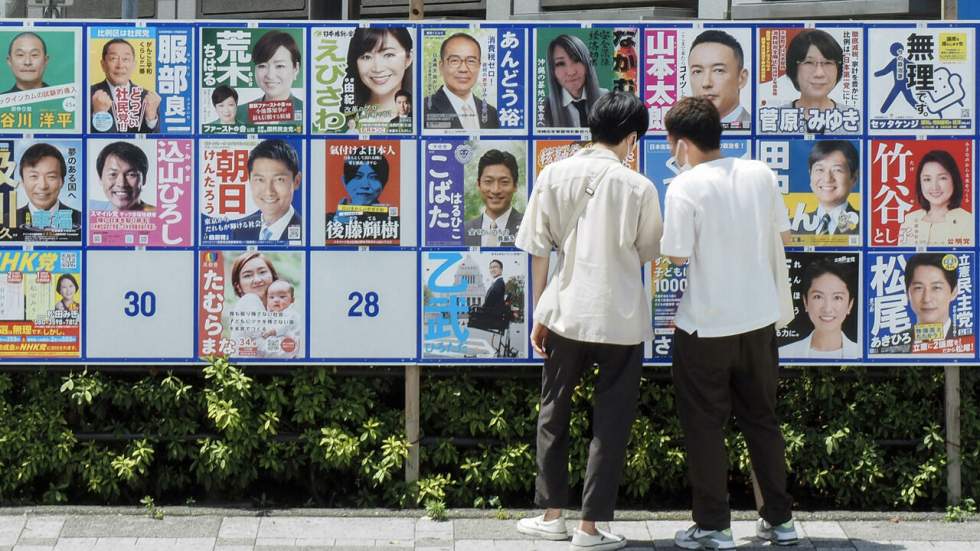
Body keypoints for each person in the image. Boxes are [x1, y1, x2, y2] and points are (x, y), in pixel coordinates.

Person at [514, 91, 662, 550]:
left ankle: (551, 515)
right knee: (611, 421)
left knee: (554, 412)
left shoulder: (554, 174)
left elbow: (538, 250)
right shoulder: (638, 186)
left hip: (564, 312)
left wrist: (540, 309)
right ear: (632, 137)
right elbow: (647, 251)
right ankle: (589, 528)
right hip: (620, 317)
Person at [660, 96, 797, 550]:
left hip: (705, 326)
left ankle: (714, 526)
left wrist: (682, 182)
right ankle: (780, 522)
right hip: (759, 320)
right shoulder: (760, 172)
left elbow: (676, 254)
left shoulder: (684, 186)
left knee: (704, 425)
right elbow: (785, 234)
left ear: (680, 144)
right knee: (762, 420)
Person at [779, 259, 859, 359]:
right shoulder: (783, 354)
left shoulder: (859, 353)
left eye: (837, 297)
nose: (827, 309)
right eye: (818, 297)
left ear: (850, 305)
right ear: (805, 302)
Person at [230, 139, 302, 242]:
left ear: (296, 181)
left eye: (279, 179)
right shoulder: (240, 230)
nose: (269, 191)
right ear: (249, 180)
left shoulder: (308, 232)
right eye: (260, 180)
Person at [424, 33, 499, 130]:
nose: (463, 69)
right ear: (441, 66)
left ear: (479, 66)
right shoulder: (423, 109)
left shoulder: (491, 113)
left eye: (471, 61)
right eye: (454, 60)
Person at [898, 150, 973, 246]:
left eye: (942, 178)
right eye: (927, 179)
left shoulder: (969, 222)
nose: (934, 187)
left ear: (954, 179)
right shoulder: (909, 220)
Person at [346, 27, 413, 130]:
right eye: (366, 57)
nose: (377, 68)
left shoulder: (422, 116)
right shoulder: (341, 120)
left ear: (408, 58)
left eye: (388, 55)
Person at [90, 38, 161, 133]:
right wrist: (99, 115)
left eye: (126, 59)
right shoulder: (88, 95)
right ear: (103, 64)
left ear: (134, 64)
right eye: (113, 58)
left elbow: (157, 142)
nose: (120, 65)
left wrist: (151, 119)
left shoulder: (148, 98)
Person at [237, 31, 303, 126]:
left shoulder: (309, 113)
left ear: (295, 69)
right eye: (262, 66)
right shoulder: (238, 113)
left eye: (280, 66)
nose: (270, 75)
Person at [541, 34, 608, 128]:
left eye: (576, 60)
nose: (571, 72)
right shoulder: (542, 110)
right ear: (552, 71)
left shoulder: (606, 99)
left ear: (587, 63)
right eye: (560, 63)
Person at [686, 30, 749, 127]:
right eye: (697, 71)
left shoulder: (761, 130)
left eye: (718, 71)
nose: (706, 83)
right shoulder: (682, 133)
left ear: (742, 78)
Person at [796, 140, 860, 236]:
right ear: (810, 175)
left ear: (853, 178)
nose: (827, 179)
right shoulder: (794, 226)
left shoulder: (866, 225)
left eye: (837, 170)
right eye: (820, 169)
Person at [464, 149, 523, 247]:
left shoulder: (529, 227)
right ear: (478, 184)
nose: (495, 190)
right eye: (488, 181)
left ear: (515, 185)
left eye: (504, 182)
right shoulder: (464, 231)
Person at [15, 143, 81, 230]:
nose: (43, 186)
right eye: (34, 176)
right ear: (22, 182)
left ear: (62, 181)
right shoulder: (6, 222)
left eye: (51, 177)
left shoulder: (82, 220)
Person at [900, 253, 958, 345]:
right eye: (918, 288)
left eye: (936, 288)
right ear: (907, 293)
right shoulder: (893, 345)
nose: (927, 299)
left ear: (954, 292)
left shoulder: (971, 342)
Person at [228, 252, 280, 354]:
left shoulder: (275, 310)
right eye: (247, 275)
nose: (257, 280)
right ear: (238, 286)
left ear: (273, 277)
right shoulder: (249, 300)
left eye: (262, 272)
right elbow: (266, 347)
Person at [784, 30, 843, 114]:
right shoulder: (773, 119)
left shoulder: (854, 119)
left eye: (828, 63)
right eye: (809, 62)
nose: (819, 73)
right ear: (794, 68)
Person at [89, 142, 154, 212]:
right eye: (113, 174)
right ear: (100, 178)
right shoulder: (88, 210)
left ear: (144, 179)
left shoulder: (159, 216)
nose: (122, 184)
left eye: (131, 174)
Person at [261, 279, 302, 358]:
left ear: (292, 300)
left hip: (291, 345)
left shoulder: (290, 313)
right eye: (271, 297)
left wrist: (272, 331)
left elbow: (284, 325)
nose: (276, 300)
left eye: (282, 297)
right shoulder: (272, 313)